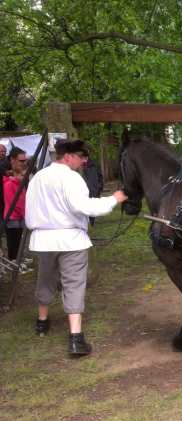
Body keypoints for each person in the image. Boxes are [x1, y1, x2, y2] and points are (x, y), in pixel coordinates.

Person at [26, 139, 127, 356]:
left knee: (45, 278)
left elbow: (30, 209)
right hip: (70, 239)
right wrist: (114, 199)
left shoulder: (37, 178)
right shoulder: (71, 178)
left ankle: (42, 321)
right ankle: (75, 338)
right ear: (68, 156)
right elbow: (85, 206)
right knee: (73, 283)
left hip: (43, 240)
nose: (84, 161)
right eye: (82, 157)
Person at [3, 147, 29, 265]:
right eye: (21, 161)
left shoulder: (21, 178)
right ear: (12, 160)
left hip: (20, 214)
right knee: (13, 239)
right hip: (12, 215)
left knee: (20, 238)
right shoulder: (7, 179)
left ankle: (19, 258)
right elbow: (13, 201)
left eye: (25, 161)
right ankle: (14, 260)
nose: (24, 163)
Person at [81, 153, 104, 225]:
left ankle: (92, 222)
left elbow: (100, 176)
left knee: (93, 207)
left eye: (84, 157)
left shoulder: (94, 165)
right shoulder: (80, 166)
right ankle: (90, 221)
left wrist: (99, 187)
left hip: (94, 190)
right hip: (84, 191)